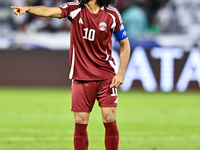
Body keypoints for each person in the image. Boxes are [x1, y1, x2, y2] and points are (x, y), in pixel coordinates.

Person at [11, 0, 130, 149]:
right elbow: (48, 11)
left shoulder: (112, 14)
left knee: (109, 116)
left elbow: (125, 44)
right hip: (81, 76)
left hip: (106, 75)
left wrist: (120, 73)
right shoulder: (75, 9)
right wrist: (27, 9)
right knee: (80, 120)